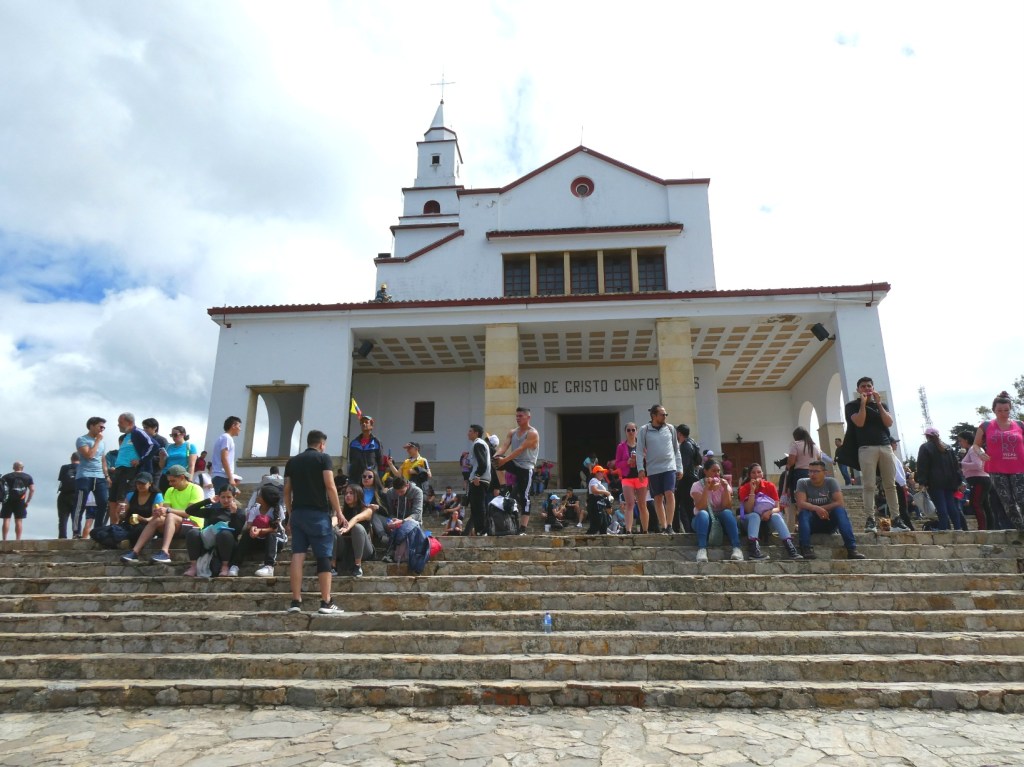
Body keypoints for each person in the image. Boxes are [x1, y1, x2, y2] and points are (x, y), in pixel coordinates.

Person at [284, 429, 344, 613]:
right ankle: (326, 602)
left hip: (298, 513)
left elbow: (286, 490)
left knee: (297, 555)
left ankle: (296, 601)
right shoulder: (323, 458)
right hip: (318, 514)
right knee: (323, 556)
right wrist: (339, 512)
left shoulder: (292, 461)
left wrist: (290, 514)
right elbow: (330, 485)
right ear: (320, 444)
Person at [844, 377, 900, 532]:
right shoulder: (852, 406)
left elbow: (888, 422)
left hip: (885, 446)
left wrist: (879, 404)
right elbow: (859, 422)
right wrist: (863, 404)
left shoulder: (881, 405)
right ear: (858, 389)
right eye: (863, 386)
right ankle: (870, 519)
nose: (867, 388)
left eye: (869, 386)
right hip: (866, 448)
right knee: (869, 485)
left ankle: (896, 518)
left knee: (890, 484)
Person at [121, 465, 204, 564]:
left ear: (182, 477)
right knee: (158, 519)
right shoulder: (170, 490)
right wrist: (159, 512)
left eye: (173, 481)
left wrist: (167, 510)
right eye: (169, 481)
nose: (170, 484)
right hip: (176, 523)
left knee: (171, 515)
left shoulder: (196, 489)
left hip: (194, 525)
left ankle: (165, 552)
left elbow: (188, 513)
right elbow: (165, 511)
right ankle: (135, 552)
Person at [973, 391, 1024, 531]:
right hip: (997, 469)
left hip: (1019, 467)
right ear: (994, 410)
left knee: (1022, 499)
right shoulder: (986, 425)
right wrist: (981, 452)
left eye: (1006, 410)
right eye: (999, 410)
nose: (1003, 413)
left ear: (1010, 409)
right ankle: (1020, 528)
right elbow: (976, 444)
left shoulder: (1020, 424)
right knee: (1008, 502)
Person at [795, 460, 865, 560]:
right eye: (810, 471)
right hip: (811, 522)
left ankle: (851, 549)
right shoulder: (802, 482)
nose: (812, 474)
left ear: (825, 473)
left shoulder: (831, 482)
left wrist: (822, 509)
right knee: (803, 513)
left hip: (828, 521)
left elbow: (840, 502)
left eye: (816, 471)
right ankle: (805, 548)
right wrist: (817, 508)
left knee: (840, 510)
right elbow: (801, 503)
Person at [737, 464, 802, 560]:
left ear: (762, 474)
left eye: (759, 472)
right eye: (753, 473)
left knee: (776, 516)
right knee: (755, 515)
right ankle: (754, 550)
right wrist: (752, 490)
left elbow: (777, 507)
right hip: (749, 523)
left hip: (767, 522)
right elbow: (748, 510)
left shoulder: (770, 486)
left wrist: (769, 512)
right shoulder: (744, 488)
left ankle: (790, 548)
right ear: (750, 475)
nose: (756, 475)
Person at [637, 404, 683, 534]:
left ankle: (670, 525)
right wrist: (640, 468)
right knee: (657, 497)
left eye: (665, 414)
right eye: (662, 414)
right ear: (654, 415)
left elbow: (676, 449)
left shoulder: (670, 429)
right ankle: (663, 526)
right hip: (653, 469)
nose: (665, 416)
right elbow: (639, 450)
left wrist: (679, 467)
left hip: (669, 467)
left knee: (669, 493)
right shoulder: (644, 430)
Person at [181, 486, 245, 577]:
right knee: (193, 533)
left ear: (234, 497)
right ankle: (193, 566)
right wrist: (207, 501)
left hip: (227, 542)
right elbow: (189, 510)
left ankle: (225, 566)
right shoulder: (213, 510)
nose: (226, 500)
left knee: (224, 533)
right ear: (219, 497)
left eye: (229, 497)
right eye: (223, 497)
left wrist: (233, 514)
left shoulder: (240, 512)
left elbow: (236, 531)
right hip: (209, 540)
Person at [495, 406, 540, 535]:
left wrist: (504, 460)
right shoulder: (512, 432)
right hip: (514, 463)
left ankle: (523, 528)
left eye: (520, 416)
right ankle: (503, 486)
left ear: (528, 417)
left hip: (526, 468)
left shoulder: (532, 433)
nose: (517, 418)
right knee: (496, 462)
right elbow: (504, 447)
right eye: (517, 416)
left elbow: (520, 449)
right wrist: (497, 456)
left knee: (525, 498)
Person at [688, 459, 742, 562]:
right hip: (702, 521)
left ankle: (737, 548)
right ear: (705, 471)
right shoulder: (697, 486)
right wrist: (707, 489)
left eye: (718, 471)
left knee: (727, 513)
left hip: (720, 520)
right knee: (703, 514)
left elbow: (727, 506)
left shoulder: (723, 484)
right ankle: (702, 549)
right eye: (713, 471)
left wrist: (725, 488)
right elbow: (701, 507)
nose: (717, 474)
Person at [108, 413, 156, 525]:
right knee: (112, 500)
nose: (118, 425)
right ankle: (112, 527)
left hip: (129, 470)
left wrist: (141, 460)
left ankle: (119, 527)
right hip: (119, 470)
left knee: (122, 499)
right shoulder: (126, 437)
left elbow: (153, 445)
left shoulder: (137, 432)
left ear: (129, 422)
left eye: (120, 422)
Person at [916, 427, 965, 531]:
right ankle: (957, 527)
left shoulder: (925, 447)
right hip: (950, 482)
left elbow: (922, 466)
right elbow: (955, 466)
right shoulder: (948, 447)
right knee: (951, 505)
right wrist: (959, 480)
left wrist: (922, 481)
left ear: (926, 436)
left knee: (940, 506)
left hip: (935, 482)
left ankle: (943, 528)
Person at [234, 482, 286, 577]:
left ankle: (269, 566)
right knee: (246, 533)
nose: (257, 496)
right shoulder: (255, 508)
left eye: (260, 495)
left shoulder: (277, 509)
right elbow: (249, 525)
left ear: (266, 499)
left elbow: (274, 530)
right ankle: (235, 565)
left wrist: (260, 530)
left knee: (271, 535)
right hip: (259, 539)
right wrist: (252, 528)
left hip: (275, 540)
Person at [73, 416, 110, 536]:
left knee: (103, 502)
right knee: (80, 504)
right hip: (84, 476)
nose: (102, 429)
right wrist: (97, 441)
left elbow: (102, 459)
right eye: (100, 426)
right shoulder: (82, 439)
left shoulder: (103, 443)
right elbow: (89, 455)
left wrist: (107, 475)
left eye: (104, 427)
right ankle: (76, 532)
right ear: (91, 426)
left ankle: (98, 531)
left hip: (99, 476)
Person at [616, 422, 649, 534]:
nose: (631, 432)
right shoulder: (621, 446)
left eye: (633, 430)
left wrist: (643, 457)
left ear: (636, 431)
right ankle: (628, 530)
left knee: (642, 504)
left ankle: (645, 530)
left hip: (641, 477)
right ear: (625, 432)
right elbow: (617, 464)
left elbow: (648, 460)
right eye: (628, 430)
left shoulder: (641, 446)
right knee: (629, 503)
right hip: (627, 477)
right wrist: (627, 462)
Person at [334, 485, 375, 576]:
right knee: (332, 530)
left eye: (351, 493)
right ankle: (332, 566)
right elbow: (334, 520)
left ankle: (358, 566)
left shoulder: (367, 510)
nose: (347, 495)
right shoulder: (341, 511)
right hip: (345, 549)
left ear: (359, 495)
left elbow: (356, 518)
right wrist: (331, 525)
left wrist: (347, 527)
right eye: (346, 493)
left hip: (364, 549)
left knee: (357, 527)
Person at [786, 427, 822, 529]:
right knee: (812, 499)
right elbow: (819, 459)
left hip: (800, 474)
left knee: (799, 501)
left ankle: (802, 525)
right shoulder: (815, 446)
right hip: (814, 473)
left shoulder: (796, 444)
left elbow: (791, 462)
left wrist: (788, 464)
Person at [959, 430, 993, 530]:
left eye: (960, 440)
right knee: (985, 505)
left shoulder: (973, 449)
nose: (959, 443)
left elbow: (977, 465)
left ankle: (982, 528)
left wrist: (961, 464)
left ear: (966, 440)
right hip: (982, 479)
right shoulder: (975, 449)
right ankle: (989, 527)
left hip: (979, 480)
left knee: (976, 503)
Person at [674, 424, 701, 533]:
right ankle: (686, 529)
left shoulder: (685, 445)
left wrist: (678, 475)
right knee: (682, 506)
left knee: (686, 507)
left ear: (679, 433)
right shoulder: (692, 443)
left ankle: (691, 530)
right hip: (689, 478)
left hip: (685, 479)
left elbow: (684, 464)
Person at [466, 424, 491, 536]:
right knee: (476, 506)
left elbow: (482, 463)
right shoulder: (481, 444)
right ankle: (479, 530)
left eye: (470, 431)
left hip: (479, 480)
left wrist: (477, 475)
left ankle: (482, 530)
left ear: (476, 433)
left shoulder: (478, 444)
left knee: (478, 506)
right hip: (481, 479)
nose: (468, 433)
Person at [1, 462, 34, 541]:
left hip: (7, 500)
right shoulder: (28, 477)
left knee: (6, 519)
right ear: (22, 467)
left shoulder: (6, 476)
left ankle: (4, 539)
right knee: (19, 520)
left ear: (13, 467)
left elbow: (1, 489)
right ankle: (18, 540)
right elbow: (32, 489)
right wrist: (28, 501)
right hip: (20, 500)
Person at [348, 414, 386, 479]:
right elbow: (351, 460)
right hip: (355, 477)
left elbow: (380, 461)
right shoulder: (353, 442)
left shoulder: (377, 442)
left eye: (366, 422)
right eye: (362, 422)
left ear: (371, 426)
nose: (363, 424)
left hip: (369, 477)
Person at [161, 426, 198, 493]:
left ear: (183, 434)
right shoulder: (168, 446)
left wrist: (190, 479)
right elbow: (161, 466)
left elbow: (191, 465)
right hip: (166, 476)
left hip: (180, 476)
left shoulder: (190, 446)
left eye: (175, 435)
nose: (173, 437)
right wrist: (161, 457)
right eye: (171, 435)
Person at [211, 416, 242, 494]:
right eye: (239, 426)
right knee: (221, 503)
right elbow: (224, 458)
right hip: (222, 477)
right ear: (233, 426)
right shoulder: (227, 438)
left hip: (221, 476)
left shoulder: (223, 438)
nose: (240, 429)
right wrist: (231, 478)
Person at [56, 453, 79, 539]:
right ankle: (76, 535)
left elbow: (61, 479)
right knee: (76, 517)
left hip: (64, 494)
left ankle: (62, 536)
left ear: (71, 458)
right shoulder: (83, 468)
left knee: (63, 518)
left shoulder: (64, 467)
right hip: (77, 494)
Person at [586, 465, 615, 534]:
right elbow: (594, 490)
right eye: (601, 472)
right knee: (596, 524)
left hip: (600, 505)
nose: (603, 474)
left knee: (604, 525)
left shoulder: (599, 482)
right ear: (596, 473)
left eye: (603, 472)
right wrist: (606, 492)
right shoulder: (593, 480)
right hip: (594, 504)